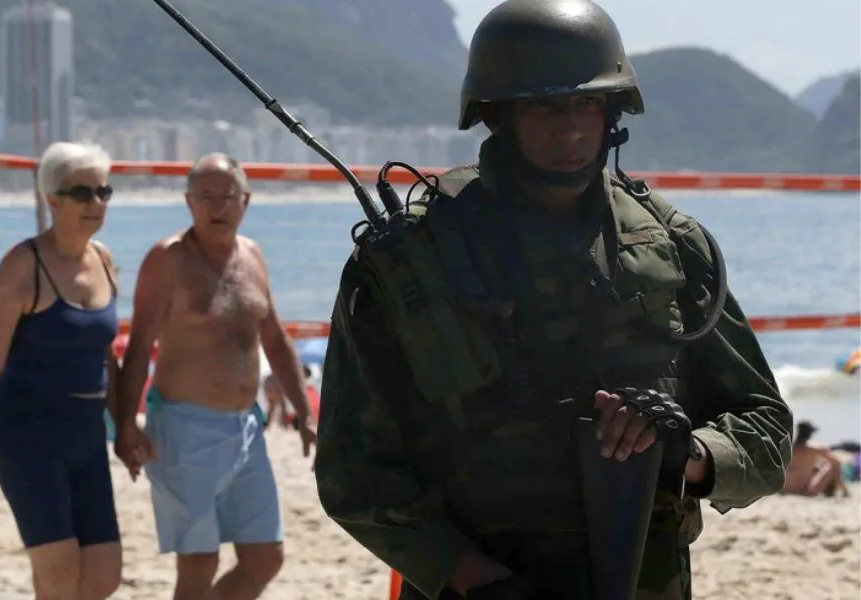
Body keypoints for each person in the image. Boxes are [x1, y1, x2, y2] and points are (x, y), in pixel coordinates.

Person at [313, 1, 794, 599]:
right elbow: (351, 474)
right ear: (499, 114)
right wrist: (471, 577)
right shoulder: (410, 265)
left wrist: (687, 453)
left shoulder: (670, 245)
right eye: (543, 104)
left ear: (612, 111)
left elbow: (768, 431)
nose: (569, 128)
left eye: (585, 103)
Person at [115, 153, 317, 599]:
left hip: (247, 426)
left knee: (266, 557)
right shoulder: (166, 259)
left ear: (246, 201)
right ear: (188, 202)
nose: (217, 207)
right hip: (184, 427)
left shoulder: (253, 255)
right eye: (206, 197)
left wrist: (303, 409)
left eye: (227, 196)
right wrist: (126, 422)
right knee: (199, 563)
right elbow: (139, 346)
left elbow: (275, 336)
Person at [0, 141, 123, 600]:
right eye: (82, 193)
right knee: (58, 573)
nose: (95, 203)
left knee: (103, 575)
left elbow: (106, 354)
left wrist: (126, 427)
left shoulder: (103, 259)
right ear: (52, 200)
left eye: (104, 191)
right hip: (27, 436)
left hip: (86, 435)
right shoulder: (22, 268)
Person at [782, 421, 850, 497]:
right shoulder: (814, 449)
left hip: (785, 489)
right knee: (834, 467)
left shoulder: (787, 447)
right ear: (810, 434)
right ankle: (845, 492)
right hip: (805, 491)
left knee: (815, 469)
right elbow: (837, 462)